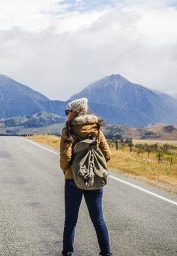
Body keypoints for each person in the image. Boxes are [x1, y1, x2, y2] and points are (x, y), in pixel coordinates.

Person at [59, 97, 112, 256]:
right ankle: (106, 253)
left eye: (67, 111)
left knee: (70, 221)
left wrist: (66, 171)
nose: (66, 114)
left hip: (72, 180)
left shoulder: (68, 131)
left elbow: (65, 158)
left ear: (73, 112)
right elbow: (107, 155)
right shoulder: (97, 129)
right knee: (98, 220)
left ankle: (68, 253)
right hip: (95, 178)